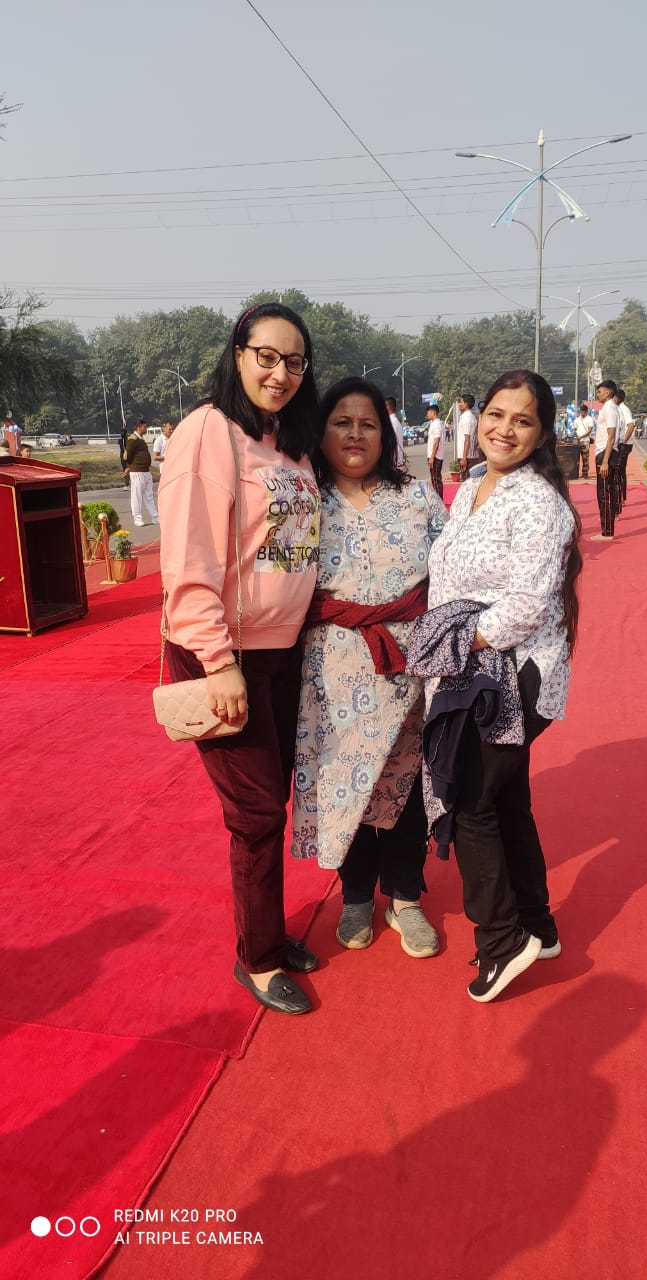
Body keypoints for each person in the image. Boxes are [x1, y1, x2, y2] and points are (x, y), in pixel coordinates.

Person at [158, 302, 321, 1016]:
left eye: (294, 362)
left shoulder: (289, 444)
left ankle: (269, 933)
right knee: (256, 812)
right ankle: (256, 959)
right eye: (266, 357)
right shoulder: (209, 431)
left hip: (283, 653)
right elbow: (189, 556)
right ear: (238, 354)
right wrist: (218, 661)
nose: (280, 373)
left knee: (272, 801)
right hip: (226, 653)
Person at [422, 369, 582, 1002]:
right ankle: (537, 926)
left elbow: (525, 606)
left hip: (512, 674)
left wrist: (449, 642)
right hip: (474, 669)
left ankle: (501, 940)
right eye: (496, 414)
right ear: (479, 415)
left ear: (541, 433)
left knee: (471, 802)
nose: (505, 429)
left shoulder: (538, 502)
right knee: (508, 798)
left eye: (523, 420)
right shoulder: (471, 486)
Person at [292, 377, 447, 957]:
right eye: (342, 422)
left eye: (368, 424)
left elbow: (453, 570)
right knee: (344, 783)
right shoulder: (305, 500)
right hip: (331, 673)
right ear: (321, 432)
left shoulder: (417, 497)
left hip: (409, 666)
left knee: (406, 783)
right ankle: (356, 894)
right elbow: (275, 582)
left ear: (385, 435)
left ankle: (405, 896)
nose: (355, 434)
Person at [591, 380, 621, 540]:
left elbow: (611, 436)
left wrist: (604, 462)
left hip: (606, 454)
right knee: (606, 492)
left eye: (600, 392)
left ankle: (607, 531)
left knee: (604, 494)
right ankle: (607, 528)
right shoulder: (609, 408)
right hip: (604, 452)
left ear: (608, 393)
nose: (598, 395)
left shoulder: (610, 409)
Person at [123, 419, 160, 527]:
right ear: (138, 427)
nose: (146, 429)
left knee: (149, 496)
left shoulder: (141, 439)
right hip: (137, 471)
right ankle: (137, 518)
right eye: (145, 427)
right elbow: (128, 455)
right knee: (137, 496)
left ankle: (155, 517)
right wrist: (129, 466)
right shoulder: (132, 439)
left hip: (145, 471)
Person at [614, 389, 635, 507]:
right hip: (621, 443)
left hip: (624, 444)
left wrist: (623, 441)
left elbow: (631, 426)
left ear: (617, 398)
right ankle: (621, 496)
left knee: (619, 470)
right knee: (620, 471)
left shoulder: (624, 409)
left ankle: (621, 497)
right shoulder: (617, 409)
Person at [457, 394, 480, 480]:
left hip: (467, 457)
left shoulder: (466, 418)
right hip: (471, 455)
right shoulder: (472, 417)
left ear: (466, 404)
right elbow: (477, 436)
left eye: (461, 402)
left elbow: (467, 439)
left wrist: (464, 458)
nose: (459, 404)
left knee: (466, 482)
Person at [426, 403, 444, 499]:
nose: (427, 414)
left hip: (436, 456)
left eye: (428, 412)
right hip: (434, 455)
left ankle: (439, 500)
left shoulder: (437, 424)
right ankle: (439, 500)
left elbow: (436, 442)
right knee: (435, 479)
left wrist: (432, 457)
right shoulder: (434, 423)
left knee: (436, 480)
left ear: (433, 412)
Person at [384, 396, 405, 469]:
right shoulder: (394, 421)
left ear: (387, 407)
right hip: (395, 461)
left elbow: (390, 443)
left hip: (393, 462)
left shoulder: (391, 422)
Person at [574, 403, 593, 479]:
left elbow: (589, 431)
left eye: (584, 412)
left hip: (585, 441)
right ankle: (575, 473)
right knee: (575, 458)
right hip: (577, 441)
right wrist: (576, 436)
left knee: (585, 458)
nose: (582, 413)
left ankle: (585, 473)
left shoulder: (589, 419)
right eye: (581, 412)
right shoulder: (577, 420)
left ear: (587, 411)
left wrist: (581, 437)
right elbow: (575, 429)